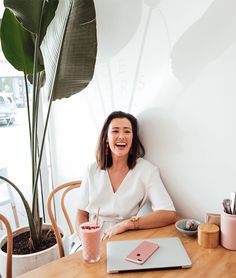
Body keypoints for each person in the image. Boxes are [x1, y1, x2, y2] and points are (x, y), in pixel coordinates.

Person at [76, 111, 176, 240]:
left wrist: (128, 224)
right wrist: (86, 240)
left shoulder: (147, 170)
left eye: (127, 131)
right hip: (91, 235)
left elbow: (168, 214)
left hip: (125, 236)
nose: (121, 136)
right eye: (115, 131)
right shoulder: (92, 169)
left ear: (133, 138)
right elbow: (81, 213)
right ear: (106, 138)